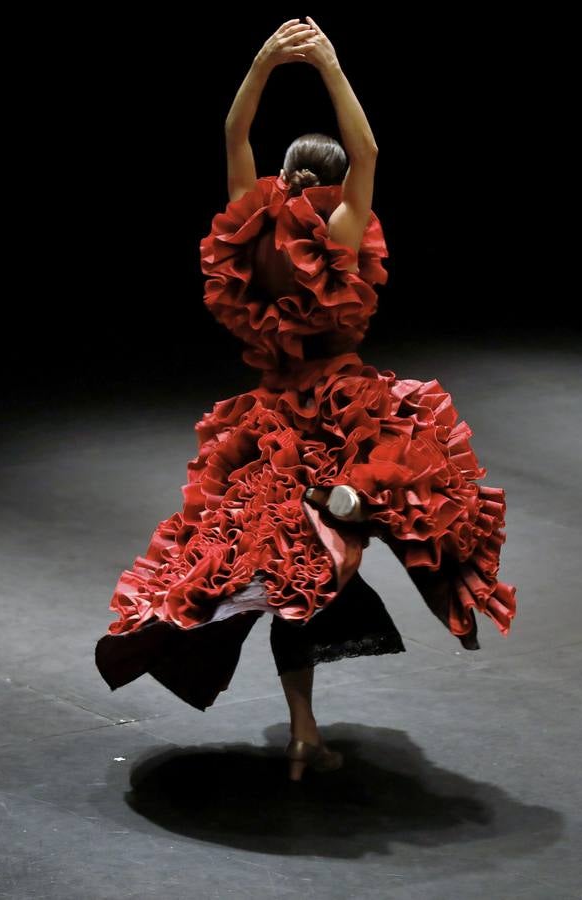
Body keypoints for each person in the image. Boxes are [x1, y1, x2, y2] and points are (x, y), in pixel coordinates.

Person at [95, 17, 518, 783]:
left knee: (295, 580)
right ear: (330, 182)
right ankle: (349, 499)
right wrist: (329, 66)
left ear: (283, 174)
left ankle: (303, 729)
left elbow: (233, 133)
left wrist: (263, 63)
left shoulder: (248, 233)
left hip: (272, 416)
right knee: (415, 478)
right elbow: (370, 152)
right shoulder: (341, 230)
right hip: (339, 405)